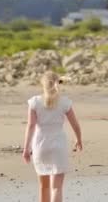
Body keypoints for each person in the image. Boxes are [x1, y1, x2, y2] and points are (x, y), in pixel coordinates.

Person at [22, 71, 83, 202]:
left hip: (40, 146)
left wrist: (26, 149)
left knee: (43, 187)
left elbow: (31, 125)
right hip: (58, 146)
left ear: (43, 85)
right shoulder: (65, 102)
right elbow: (75, 125)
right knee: (57, 188)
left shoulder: (35, 102)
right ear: (58, 84)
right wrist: (78, 140)